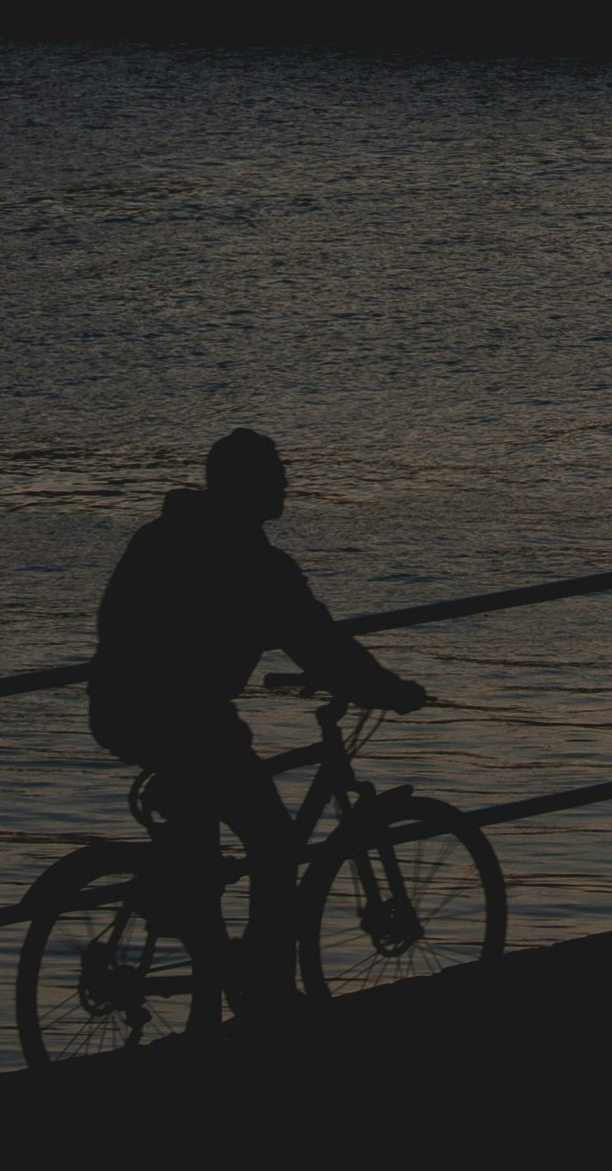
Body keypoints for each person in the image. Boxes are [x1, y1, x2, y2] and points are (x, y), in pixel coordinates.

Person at [89, 427, 429, 1021]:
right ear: (247, 488)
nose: (287, 485)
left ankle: (209, 969)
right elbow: (320, 643)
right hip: (184, 716)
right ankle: (266, 992)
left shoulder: (161, 536)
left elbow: (113, 620)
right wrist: (387, 690)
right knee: (273, 841)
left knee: (204, 844)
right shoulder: (256, 563)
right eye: (276, 476)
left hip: (122, 705)